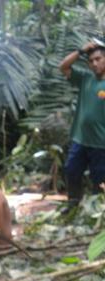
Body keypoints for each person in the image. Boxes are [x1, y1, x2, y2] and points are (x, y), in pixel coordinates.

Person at [59, 41, 105, 206]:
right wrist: (80, 51)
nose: (94, 63)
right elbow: (63, 67)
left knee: (99, 179)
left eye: (98, 59)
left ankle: (96, 210)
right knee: (71, 170)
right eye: (91, 60)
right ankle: (73, 203)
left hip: (101, 143)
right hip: (80, 139)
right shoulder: (86, 78)